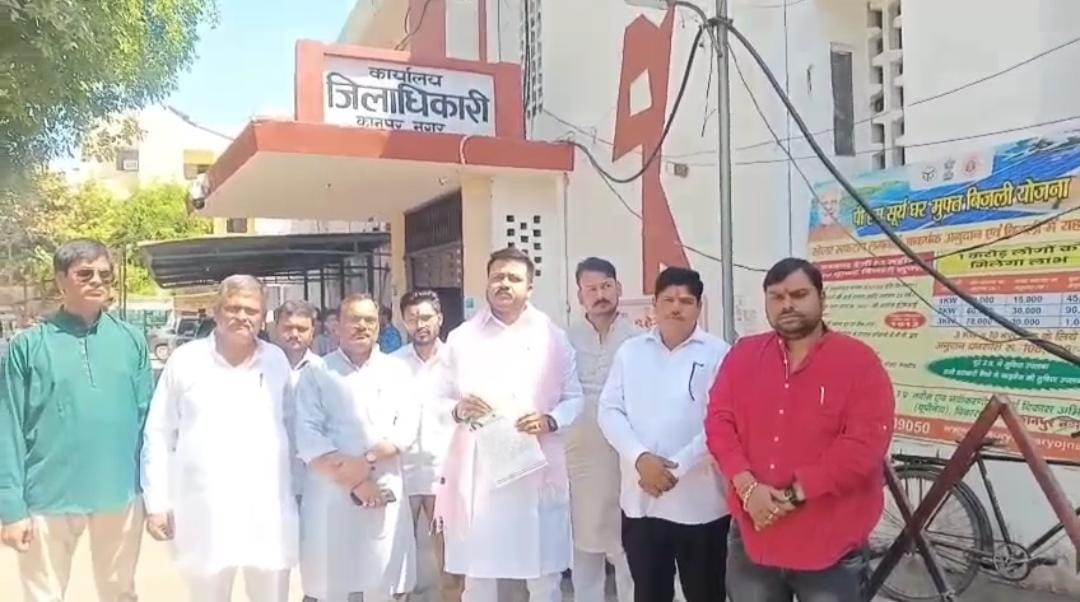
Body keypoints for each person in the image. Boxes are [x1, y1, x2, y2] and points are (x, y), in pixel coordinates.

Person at [706, 258, 895, 602]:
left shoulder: (859, 363)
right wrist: (747, 487)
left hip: (829, 546)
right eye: (776, 297)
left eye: (798, 294)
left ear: (822, 298)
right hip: (754, 540)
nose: (787, 304)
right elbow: (719, 422)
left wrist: (793, 495)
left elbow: (864, 445)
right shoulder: (744, 356)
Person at [0, 239, 153, 602]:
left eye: (104, 274)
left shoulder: (131, 341)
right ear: (60, 280)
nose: (97, 281)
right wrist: (10, 508)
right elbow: (8, 427)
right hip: (47, 494)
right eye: (85, 274)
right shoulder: (28, 346)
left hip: (119, 492)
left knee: (120, 592)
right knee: (43, 595)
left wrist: (154, 492)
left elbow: (149, 422)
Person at [435, 247, 584, 602]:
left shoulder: (552, 337)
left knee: (544, 578)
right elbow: (437, 399)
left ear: (529, 288)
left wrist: (550, 420)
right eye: (497, 277)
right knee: (479, 578)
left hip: (536, 470)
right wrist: (457, 410)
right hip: (479, 475)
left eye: (513, 278)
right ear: (487, 282)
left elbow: (575, 398)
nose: (503, 284)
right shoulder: (462, 338)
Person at [141, 275, 298, 602]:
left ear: (263, 316)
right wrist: (157, 503)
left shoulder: (276, 361)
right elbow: (159, 432)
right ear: (216, 311)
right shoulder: (186, 360)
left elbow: (292, 428)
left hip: (267, 510)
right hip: (205, 510)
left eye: (251, 310)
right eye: (233, 308)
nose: (242, 316)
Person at [598, 266, 732, 602]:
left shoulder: (719, 354)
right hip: (642, 500)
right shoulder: (631, 352)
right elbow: (609, 410)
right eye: (668, 299)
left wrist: (674, 469)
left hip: (700, 504)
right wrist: (640, 458)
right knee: (649, 593)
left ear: (699, 307)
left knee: (705, 593)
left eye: (686, 301)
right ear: (654, 305)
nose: (676, 307)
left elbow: (722, 424)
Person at [294, 293, 419, 602]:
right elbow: (308, 435)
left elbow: (406, 430)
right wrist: (356, 481)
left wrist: (367, 461)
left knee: (382, 582)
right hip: (332, 492)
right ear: (337, 326)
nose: (362, 326)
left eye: (369, 320)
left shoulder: (398, 371)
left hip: (383, 487)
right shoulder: (316, 373)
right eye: (354, 319)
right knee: (333, 583)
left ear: (379, 326)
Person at [565, 258, 641, 602]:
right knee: (583, 549)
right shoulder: (565, 341)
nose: (600, 295)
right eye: (591, 289)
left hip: (623, 459)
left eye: (606, 286)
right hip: (579, 460)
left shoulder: (639, 340)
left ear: (618, 288)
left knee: (628, 547)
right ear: (580, 296)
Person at [392, 290, 464, 602]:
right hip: (401, 475)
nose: (420, 324)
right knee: (396, 564)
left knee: (451, 564)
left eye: (425, 317)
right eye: (412, 318)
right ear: (404, 322)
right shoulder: (393, 365)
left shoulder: (458, 362)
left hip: (443, 475)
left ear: (440, 319)